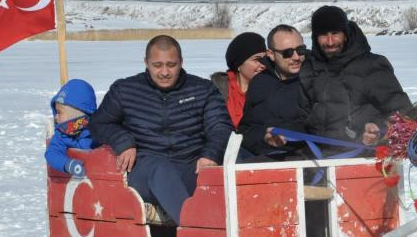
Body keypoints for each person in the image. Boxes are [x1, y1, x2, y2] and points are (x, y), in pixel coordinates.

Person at [90, 35, 232, 224]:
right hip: (145, 169)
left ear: (181, 62)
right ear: (146, 63)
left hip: (190, 164)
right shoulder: (125, 90)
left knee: (238, 159)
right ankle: (196, 229)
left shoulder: (202, 89)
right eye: (157, 65)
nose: (164, 72)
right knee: (160, 169)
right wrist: (123, 141)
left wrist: (211, 154)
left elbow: (220, 126)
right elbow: (98, 123)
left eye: (171, 65)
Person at [298, 5, 410, 149]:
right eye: (323, 35)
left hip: (363, 156)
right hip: (317, 158)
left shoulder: (372, 66)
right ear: (315, 37)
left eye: (335, 33)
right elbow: (300, 115)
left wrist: (379, 131)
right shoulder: (309, 68)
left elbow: (402, 113)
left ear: (346, 34)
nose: (330, 41)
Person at [238, 24, 307, 157]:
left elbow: (322, 125)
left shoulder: (315, 79)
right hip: (262, 156)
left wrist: (287, 133)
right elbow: (246, 129)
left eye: (300, 49)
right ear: (271, 54)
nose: (296, 57)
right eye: (288, 53)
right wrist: (264, 136)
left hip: (303, 157)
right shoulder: (259, 82)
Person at [211, 32, 267, 128]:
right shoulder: (217, 90)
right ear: (239, 64)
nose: (263, 65)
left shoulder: (271, 89)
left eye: (265, 59)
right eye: (257, 59)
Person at [45, 78, 97, 177]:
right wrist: (68, 164)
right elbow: (52, 153)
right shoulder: (61, 134)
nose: (55, 117)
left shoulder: (98, 130)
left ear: (75, 114)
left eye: (59, 112)